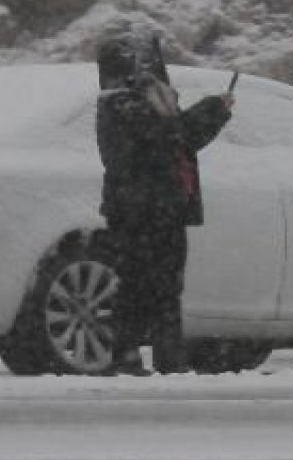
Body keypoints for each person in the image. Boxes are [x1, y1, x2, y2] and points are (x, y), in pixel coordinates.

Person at [95, 35, 233, 376]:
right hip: (141, 210)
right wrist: (212, 110)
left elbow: (179, 140)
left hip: (159, 208)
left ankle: (162, 357)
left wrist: (213, 113)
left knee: (163, 286)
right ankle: (136, 357)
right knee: (141, 285)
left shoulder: (136, 102)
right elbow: (171, 137)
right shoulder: (123, 103)